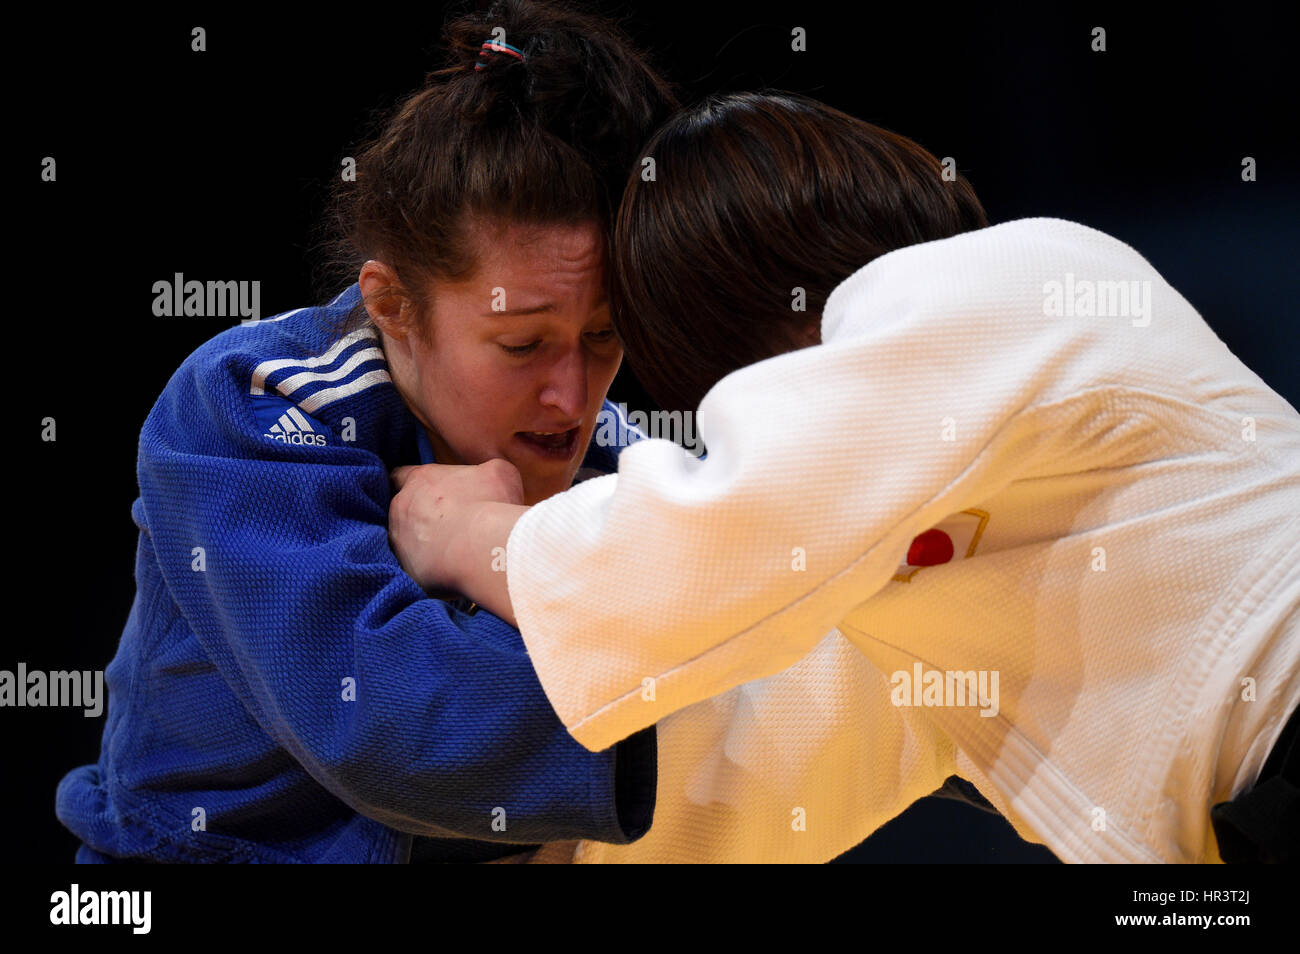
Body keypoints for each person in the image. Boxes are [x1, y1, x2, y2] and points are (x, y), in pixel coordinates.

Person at [389, 91, 1300, 863]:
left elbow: (730, 530)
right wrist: (544, 830)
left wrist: (476, 540)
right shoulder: (902, 567)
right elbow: (771, 740)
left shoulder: (1018, 276)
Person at [55, 0, 678, 863]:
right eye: (522, 343)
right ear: (393, 305)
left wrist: (482, 543)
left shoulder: (626, 456)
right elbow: (394, 729)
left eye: (605, 336)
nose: (572, 397)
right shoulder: (248, 405)